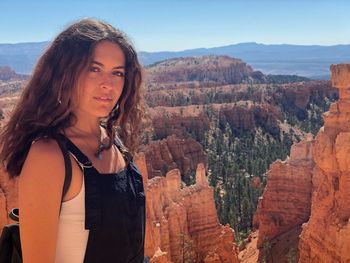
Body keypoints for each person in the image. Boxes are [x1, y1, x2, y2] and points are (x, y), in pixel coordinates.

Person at [0, 18, 146, 262]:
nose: (107, 84)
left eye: (117, 73)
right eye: (93, 69)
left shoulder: (115, 143)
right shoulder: (49, 156)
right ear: (65, 73)